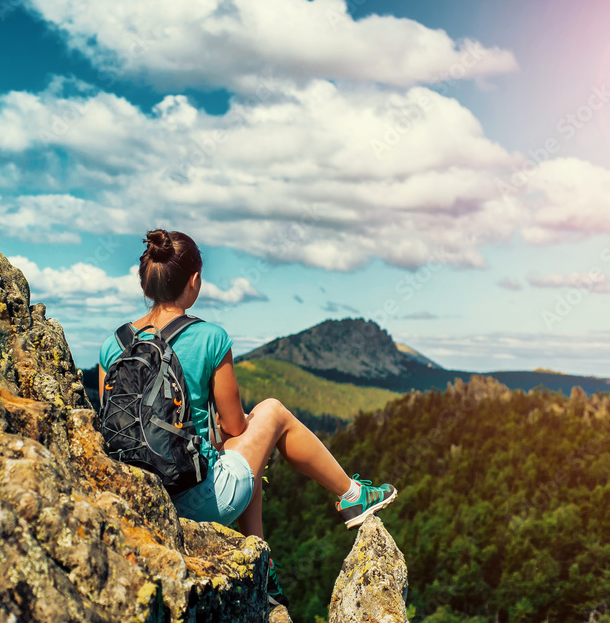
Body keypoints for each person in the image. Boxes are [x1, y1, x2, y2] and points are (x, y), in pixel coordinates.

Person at [97, 229, 397, 607]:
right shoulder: (210, 337)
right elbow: (235, 427)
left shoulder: (115, 344)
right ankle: (351, 495)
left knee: (242, 451)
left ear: (147, 282)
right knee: (269, 414)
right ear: (195, 282)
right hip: (200, 500)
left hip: (141, 499)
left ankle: (262, 561)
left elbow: (109, 425)